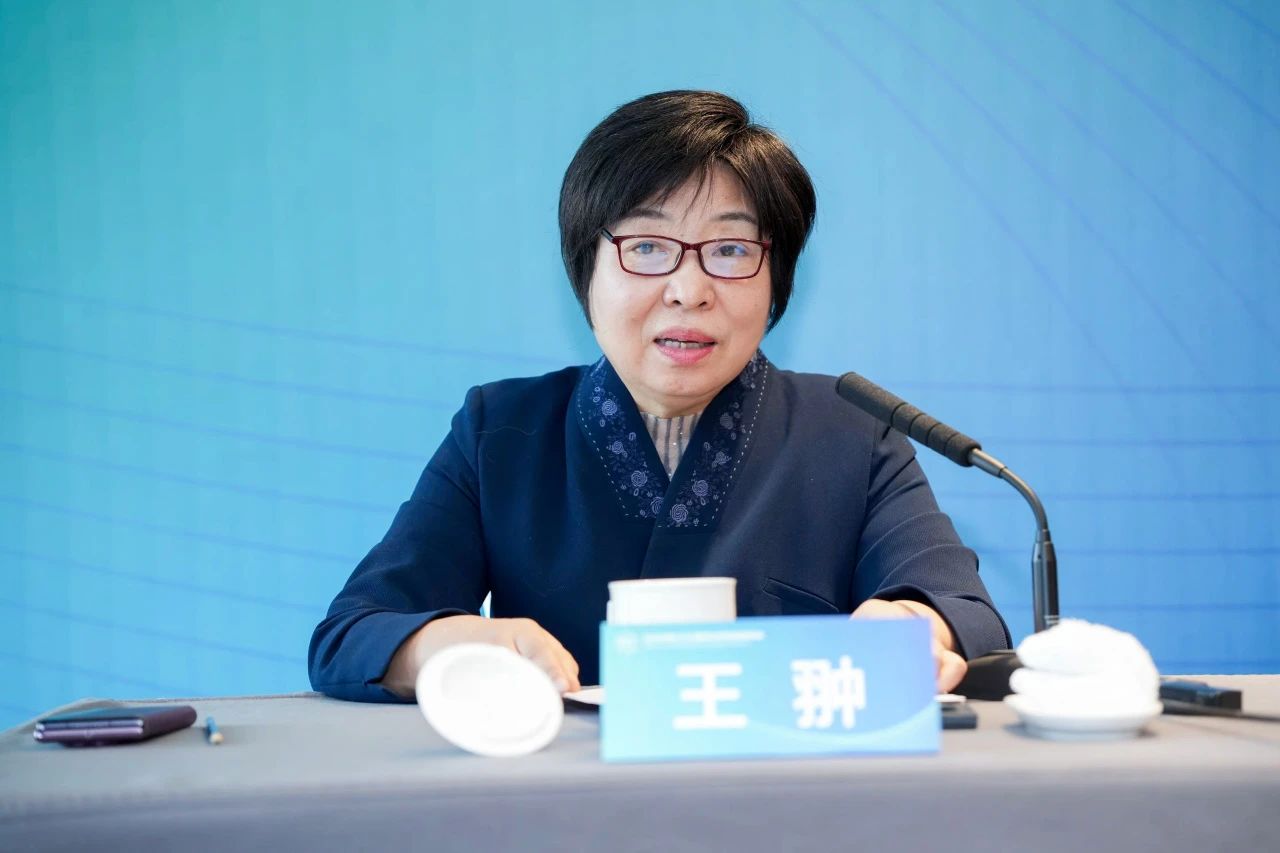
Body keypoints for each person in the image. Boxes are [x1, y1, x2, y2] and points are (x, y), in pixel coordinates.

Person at [308, 90, 1010, 702]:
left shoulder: (854, 430)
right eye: (646, 246)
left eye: (731, 250)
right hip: (559, 795)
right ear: (586, 268)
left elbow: (965, 610)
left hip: (785, 794)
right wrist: (463, 644)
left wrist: (912, 625)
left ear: (777, 280)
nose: (688, 289)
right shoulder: (501, 430)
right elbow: (353, 635)